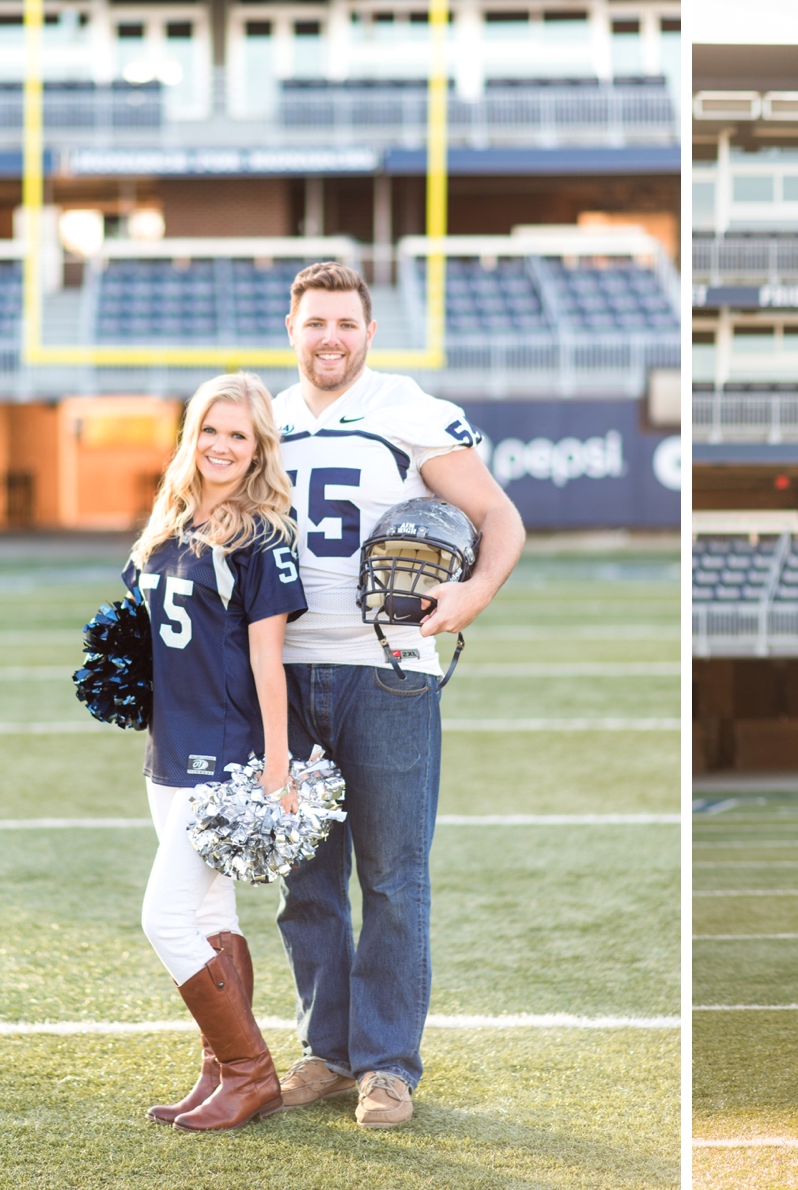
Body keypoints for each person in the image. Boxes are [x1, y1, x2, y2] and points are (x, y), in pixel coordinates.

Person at [271, 262, 525, 1128]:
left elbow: (501, 517)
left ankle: (386, 1066)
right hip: (286, 676)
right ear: (293, 330)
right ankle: (327, 1054)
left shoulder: (406, 411)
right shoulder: (263, 422)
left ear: (369, 332)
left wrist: (472, 596)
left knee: (392, 877)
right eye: (315, 324)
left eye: (345, 323)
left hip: (388, 671)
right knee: (304, 881)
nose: (330, 338)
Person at [128, 372, 307, 1131]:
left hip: (226, 757)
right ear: (190, 436)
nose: (222, 446)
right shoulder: (168, 523)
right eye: (210, 430)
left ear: (260, 445)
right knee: (208, 913)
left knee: (163, 919)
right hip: (170, 749)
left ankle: (248, 1071)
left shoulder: (261, 536)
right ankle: (220, 1074)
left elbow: (269, 660)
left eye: (239, 435)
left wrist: (275, 765)